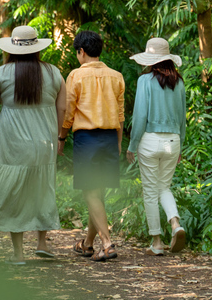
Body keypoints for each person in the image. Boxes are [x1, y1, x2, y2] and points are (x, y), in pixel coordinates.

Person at [0, 25, 66, 265]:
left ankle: (18, 254)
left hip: (13, 144)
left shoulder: (2, 72)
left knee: (13, 192)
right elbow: (62, 107)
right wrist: (59, 137)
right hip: (44, 143)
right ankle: (41, 243)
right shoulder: (54, 73)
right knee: (43, 189)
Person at [58, 30, 125, 262]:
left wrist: (61, 138)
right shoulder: (116, 76)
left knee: (90, 192)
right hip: (109, 138)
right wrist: (118, 143)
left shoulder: (75, 76)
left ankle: (107, 243)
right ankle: (87, 244)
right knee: (97, 194)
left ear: (81, 52)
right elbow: (120, 114)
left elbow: (69, 113)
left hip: (86, 139)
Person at [125, 38, 187, 255]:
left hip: (150, 141)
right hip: (173, 142)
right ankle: (175, 224)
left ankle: (157, 243)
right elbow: (182, 119)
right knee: (164, 187)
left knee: (150, 192)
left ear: (151, 60)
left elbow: (140, 116)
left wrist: (132, 145)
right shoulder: (179, 82)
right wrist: (181, 147)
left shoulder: (145, 81)